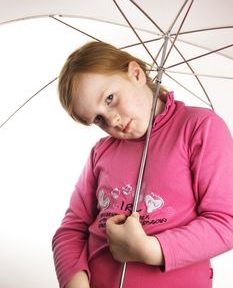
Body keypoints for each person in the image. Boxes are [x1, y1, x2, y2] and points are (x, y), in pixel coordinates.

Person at [52, 41, 233, 288]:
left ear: (136, 74)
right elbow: (71, 230)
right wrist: (75, 282)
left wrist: (149, 249)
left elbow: (226, 222)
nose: (112, 120)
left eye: (110, 98)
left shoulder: (199, 128)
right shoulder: (102, 152)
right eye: (97, 119)